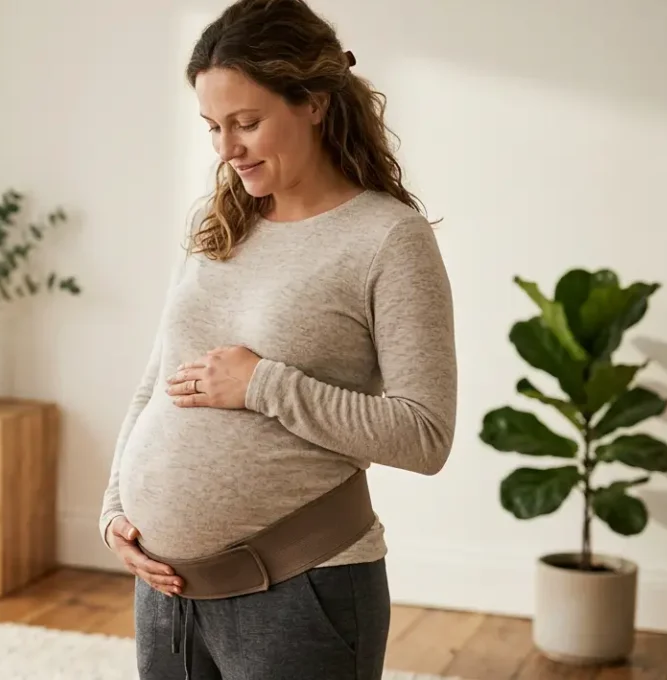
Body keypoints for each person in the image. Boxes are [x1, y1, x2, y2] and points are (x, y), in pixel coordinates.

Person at [97, 1, 458, 678]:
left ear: (314, 103)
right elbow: (156, 383)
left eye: (247, 122)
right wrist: (116, 505)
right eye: (212, 127)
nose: (226, 149)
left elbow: (424, 435)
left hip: (302, 590)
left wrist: (263, 384)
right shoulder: (221, 224)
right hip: (167, 593)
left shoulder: (387, 239)